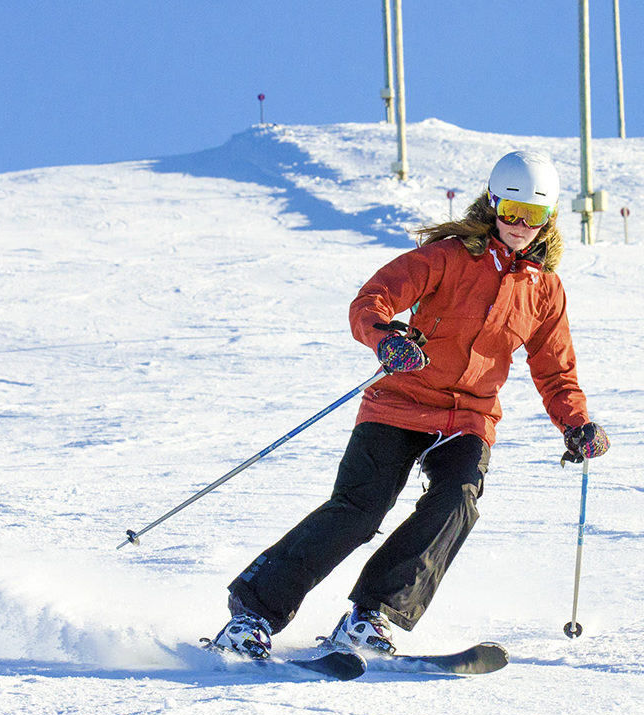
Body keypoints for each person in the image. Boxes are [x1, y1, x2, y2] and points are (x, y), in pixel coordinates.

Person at [210, 150, 610, 659]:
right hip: (399, 402)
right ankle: (254, 614)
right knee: (358, 510)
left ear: (549, 219)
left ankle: (369, 615)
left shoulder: (545, 292)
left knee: (457, 500)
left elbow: (555, 371)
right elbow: (371, 300)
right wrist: (386, 341)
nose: (519, 225)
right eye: (510, 211)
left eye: (532, 216)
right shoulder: (446, 257)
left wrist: (576, 424)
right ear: (492, 205)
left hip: (468, 418)